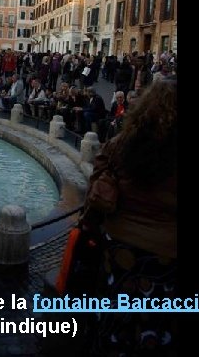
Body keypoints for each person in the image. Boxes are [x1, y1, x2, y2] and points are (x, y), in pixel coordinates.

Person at [82, 79, 177, 356]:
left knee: (116, 316)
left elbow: (96, 185)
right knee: (159, 323)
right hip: (167, 255)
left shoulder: (120, 145)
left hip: (120, 246)